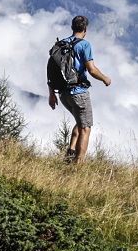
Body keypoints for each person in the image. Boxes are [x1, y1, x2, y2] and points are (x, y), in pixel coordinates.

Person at [47, 14, 112, 163]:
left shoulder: (60, 45)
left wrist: (51, 94)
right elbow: (92, 70)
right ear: (85, 29)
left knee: (80, 121)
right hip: (79, 93)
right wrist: (105, 79)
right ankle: (78, 164)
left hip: (63, 94)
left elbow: (50, 70)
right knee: (85, 127)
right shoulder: (84, 45)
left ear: (72, 27)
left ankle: (70, 153)